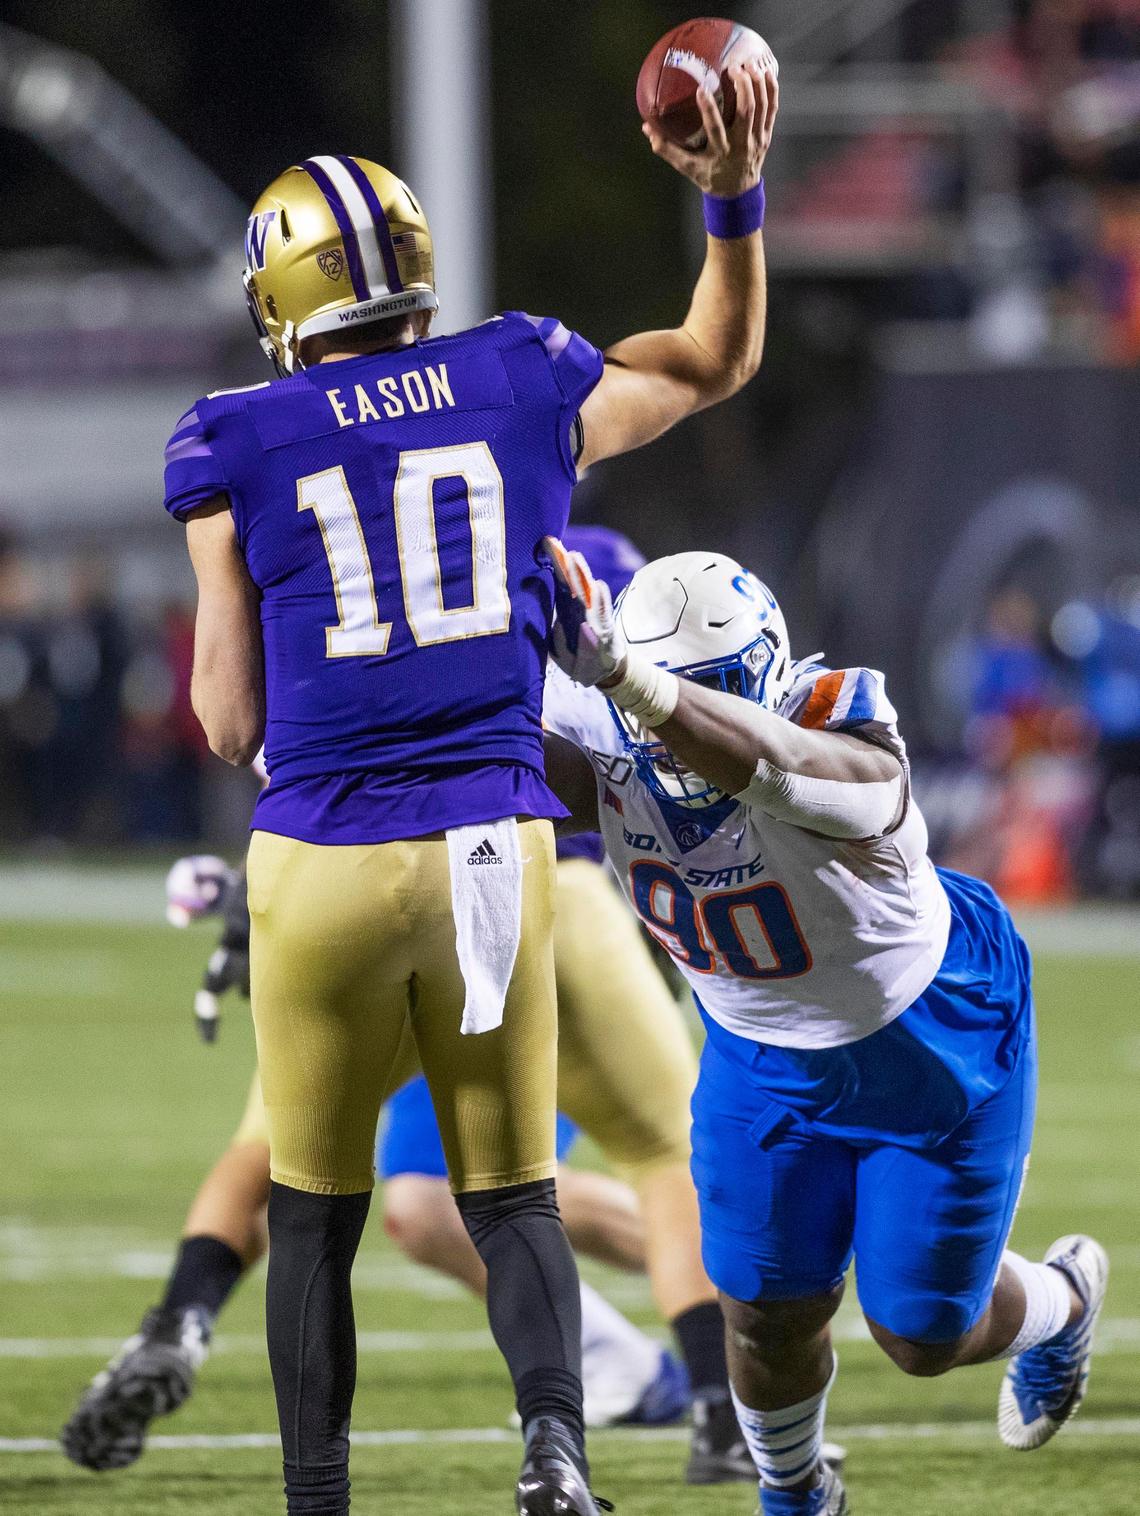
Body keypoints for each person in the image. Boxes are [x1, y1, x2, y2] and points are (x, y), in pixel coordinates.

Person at [164, 67, 778, 1515]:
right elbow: (711, 356)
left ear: (284, 295)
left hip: (320, 852)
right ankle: (556, 1455)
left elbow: (221, 712)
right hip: (501, 851)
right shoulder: (521, 376)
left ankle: (320, 1498)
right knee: (513, 1201)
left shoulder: (231, 437)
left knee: (314, 1217)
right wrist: (729, 195)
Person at [62, 529, 753, 1481]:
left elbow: (247, 732)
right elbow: (664, 729)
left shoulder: (319, 550)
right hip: (542, 882)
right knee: (605, 1171)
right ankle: (700, 1413)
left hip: (355, 880)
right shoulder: (567, 541)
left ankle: (180, 1329)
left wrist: (253, 898)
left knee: (287, 1161)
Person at [540, 541, 1109, 1516]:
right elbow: (466, 767)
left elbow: (797, 773)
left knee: (923, 1335)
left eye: (712, 687)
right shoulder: (600, 722)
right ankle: (798, 1495)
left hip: (930, 1037)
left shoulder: (836, 708)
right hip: (762, 1055)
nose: (677, 721)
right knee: (764, 1313)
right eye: (671, 684)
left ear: (765, 667)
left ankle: (1061, 1301)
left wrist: (640, 685)